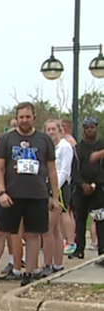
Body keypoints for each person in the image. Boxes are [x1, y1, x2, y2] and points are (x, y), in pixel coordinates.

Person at [0, 102, 59, 286]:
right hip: (12, 194)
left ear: (34, 118)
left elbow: (52, 169)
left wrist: (54, 196)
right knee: (1, 232)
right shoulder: (6, 139)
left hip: (37, 194)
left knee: (33, 234)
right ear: (17, 118)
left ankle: (29, 273)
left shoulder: (44, 140)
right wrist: (2, 191)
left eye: (28, 117)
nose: (24, 120)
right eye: (21, 117)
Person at [42, 118, 74, 275]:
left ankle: (48, 263)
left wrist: (53, 190)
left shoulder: (65, 147)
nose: (51, 132)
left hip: (59, 188)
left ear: (60, 130)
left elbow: (64, 171)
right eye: (48, 129)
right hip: (47, 186)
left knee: (48, 227)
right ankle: (58, 264)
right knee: (54, 229)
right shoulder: (47, 147)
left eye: (54, 129)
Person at [72, 117, 104, 259]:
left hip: (98, 189)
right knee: (80, 219)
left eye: (92, 127)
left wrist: (95, 184)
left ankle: (102, 249)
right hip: (81, 189)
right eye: (87, 127)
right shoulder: (77, 149)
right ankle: (79, 249)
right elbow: (74, 170)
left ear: (97, 128)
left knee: (100, 220)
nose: (90, 130)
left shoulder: (102, 147)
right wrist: (82, 184)